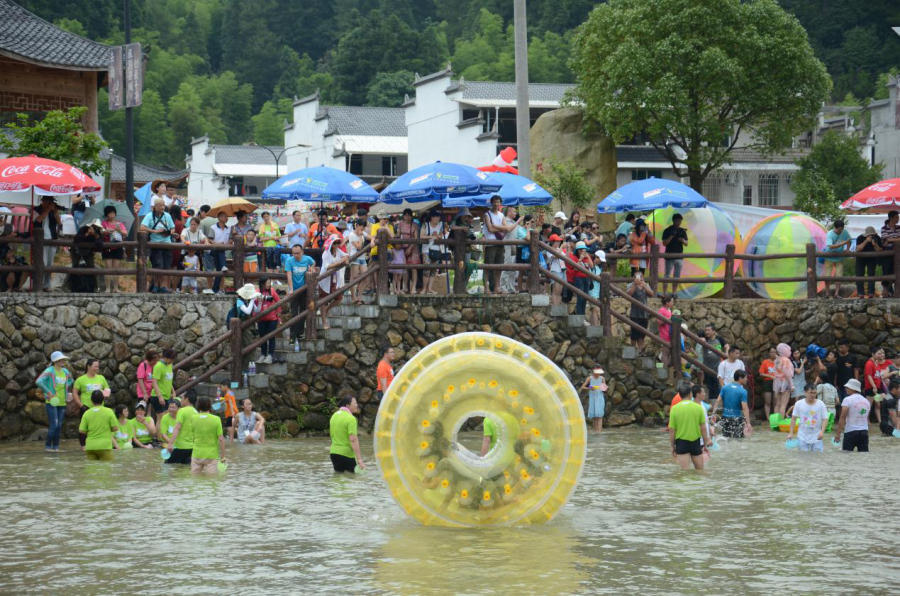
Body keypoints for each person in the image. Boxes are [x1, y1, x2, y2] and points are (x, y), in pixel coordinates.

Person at [36, 351, 73, 452]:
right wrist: (48, 392)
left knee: (59, 425)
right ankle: (48, 447)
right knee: (54, 424)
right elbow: (39, 382)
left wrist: (66, 392)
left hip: (62, 402)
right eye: (60, 359)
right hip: (51, 402)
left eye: (63, 359)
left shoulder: (65, 371)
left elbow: (70, 380)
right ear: (55, 361)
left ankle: (56, 447)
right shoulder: (49, 370)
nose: (63, 361)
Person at [140, 198, 175, 293]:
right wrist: (155, 231)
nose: (162, 207)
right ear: (155, 207)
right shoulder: (149, 216)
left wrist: (169, 232)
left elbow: (173, 228)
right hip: (155, 243)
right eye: (160, 205)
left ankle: (163, 286)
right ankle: (155, 285)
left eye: (163, 205)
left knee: (166, 266)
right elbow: (142, 227)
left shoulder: (167, 215)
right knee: (157, 265)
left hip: (167, 243)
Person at [483, 195, 517, 294]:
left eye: (498, 202)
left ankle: (497, 287)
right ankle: (486, 287)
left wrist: (496, 226)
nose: (496, 204)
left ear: (500, 203)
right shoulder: (487, 214)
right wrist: (501, 227)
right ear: (491, 203)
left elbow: (507, 228)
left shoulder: (501, 215)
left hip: (500, 243)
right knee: (488, 266)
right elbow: (490, 229)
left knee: (499, 266)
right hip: (490, 243)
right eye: (494, 202)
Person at [668, 392, 710, 470]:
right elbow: (703, 428)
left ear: (680, 395)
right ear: (690, 394)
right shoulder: (698, 407)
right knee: (700, 471)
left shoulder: (674, 408)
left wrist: (672, 446)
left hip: (681, 442)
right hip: (695, 442)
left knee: (685, 472)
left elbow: (671, 430)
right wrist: (705, 444)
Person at [284, 243, 316, 342]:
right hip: (295, 289)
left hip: (304, 289)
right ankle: (292, 335)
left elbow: (314, 262)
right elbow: (289, 275)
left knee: (303, 312)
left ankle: (300, 333)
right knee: (294, 313)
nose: (296, 255)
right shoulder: (289, 260)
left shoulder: (307, 259)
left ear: (302, 252)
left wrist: (311, 267)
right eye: (294, 253)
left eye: (298, 253)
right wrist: (291, 289)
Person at [786, 383, 828, 452]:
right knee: (803, 457)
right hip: (802, 435)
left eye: (814, 393)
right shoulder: (799, 404)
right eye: (811, 393)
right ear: (805, 392)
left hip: (817, 435)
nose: (813, 395)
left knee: (818, 457)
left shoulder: (821, 404)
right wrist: (791, 433)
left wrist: (822, 432)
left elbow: (825, 419)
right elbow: (793, 419)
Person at [79, 390, 118, 461]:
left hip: (90, 447)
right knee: (106, 469)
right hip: (104, 446)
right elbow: (115, 428)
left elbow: (82, 431)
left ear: (91, 400)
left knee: (92, 470)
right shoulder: (109, 411)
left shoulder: (86, 413)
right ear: (103, 400)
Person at [329, 395, 365, 473]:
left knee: (338, 479)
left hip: (334, 453)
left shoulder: (334, 416)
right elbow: (353, 439)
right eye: (355, 403)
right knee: (353, 480)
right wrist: (359, 459)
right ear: (347, 405)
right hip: (346, 454)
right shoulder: (351, 418)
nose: (357, 405)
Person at [319, 235, 349, 329]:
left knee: (339, 298)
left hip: (335, 279)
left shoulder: (338, 251)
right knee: (323, 300)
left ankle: (327, 310)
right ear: (331, 244)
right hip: (326, 279)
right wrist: (341, 261)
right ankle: (324, 322)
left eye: (338, 242)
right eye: (334, 243)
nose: (336, 245)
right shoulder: (326, 253)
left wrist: (346, 258)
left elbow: (346, 255)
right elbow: (327, 266)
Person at [32, 196, 62, 291]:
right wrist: (47, 210)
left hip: (52, 239)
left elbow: (59, 223)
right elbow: (38, 220)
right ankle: (39, 284)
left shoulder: (53, 211)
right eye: (47, 202)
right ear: (43, 201)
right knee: (42, 263)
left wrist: (56, 212)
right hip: (40, 240)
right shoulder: (35, 210)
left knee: (50, 264)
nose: (48, 205)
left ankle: (47, 284)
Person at [190, 396, 225, 474]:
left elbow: (193, 435)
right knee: (211, 481)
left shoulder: (193, 418)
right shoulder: (216, 419)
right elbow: (221, 439)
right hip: (211, 455)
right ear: (210, 406)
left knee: (195, 479)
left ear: (198, 406)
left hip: (196, 453)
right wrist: (223, 456)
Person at [712, 370, 751, 438]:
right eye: (745, 377)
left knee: (726, 439)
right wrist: (748, 423)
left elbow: (717, 401)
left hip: (725, 418)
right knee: (738, 440)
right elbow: (745, 408)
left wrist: (713, 414)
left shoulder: (725, 388)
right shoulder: (743, 391)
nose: (746, 379)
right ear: (740, 378)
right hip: (737, 419)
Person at [834, 379, 870, 452]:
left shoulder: (847, 400)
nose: (846, 389)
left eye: (847, 388)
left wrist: (838, 434)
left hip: (851, 432)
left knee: (846, 455)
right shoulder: (866, 401)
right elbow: (866, 418)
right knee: (864, 455)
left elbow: (842, 417)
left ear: (852, 389)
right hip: (864, 432)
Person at [253, 276, 282, 365]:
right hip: (261, 319)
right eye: (268, 283)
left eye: (270, 283)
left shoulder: (272, 291)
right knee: (262, 337)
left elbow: (278, 301)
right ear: (262, 284)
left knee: (271, 336)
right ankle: (263, 354)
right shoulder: (257, 292)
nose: (269, 285)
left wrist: (278, 312)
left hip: (272, 318)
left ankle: (270, 355)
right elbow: (254, 305)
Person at [99, 205, 128, 293]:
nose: (111, 215)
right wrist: (106, 231)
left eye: (113, 213)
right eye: (109, 213)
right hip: (107, 247)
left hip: (117, 247)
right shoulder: (103, 223)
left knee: (116, 268)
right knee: (108, 268)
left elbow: (125, 233)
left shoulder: (119, 223)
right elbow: (100, 232)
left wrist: (118, 230)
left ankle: (116, 287)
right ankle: (107, 288)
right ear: (106, 214)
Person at [696, 325, 727, 402]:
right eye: (706, 330)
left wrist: (726, 353)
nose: (707, 332)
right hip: (707, 366)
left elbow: (726, 346)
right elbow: (699, 340)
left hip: (718, 366)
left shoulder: (719, 339)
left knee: (719, 385)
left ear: (714, 331)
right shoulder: (704, 339)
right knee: (710, 387)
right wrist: (702, 340)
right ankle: (714, 406)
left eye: (709, 330)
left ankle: (720, 403)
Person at [166, 392, 198, 465]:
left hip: (180, 447)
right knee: (184, 470)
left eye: (182, 398)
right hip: (192, 448)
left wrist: (170, 444)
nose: (181, 400)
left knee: (167, 467)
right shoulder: (196, 412)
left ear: (187, 399)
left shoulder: (182, 411)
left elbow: (177, 428)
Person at [863, 347, 892, 425]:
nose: (880, 355)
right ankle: (866, 420)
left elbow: (878, 375)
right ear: (873, 354)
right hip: (871, 387)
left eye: (881, 353)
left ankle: (880, 421)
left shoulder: (876, 362)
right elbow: (869, 376)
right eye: (878, 354)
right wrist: (874, 386)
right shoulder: (869, 363)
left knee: (878, 404)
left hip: (878, 386)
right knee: (868, 405)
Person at [823, 219, 851, 298]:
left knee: (839, 276)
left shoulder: (845, 232)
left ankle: (836, 294)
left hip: (839, 258)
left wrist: (847, 249)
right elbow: (830, 246)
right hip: (829, 257)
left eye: (842, 228)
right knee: (827, 276)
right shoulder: (830, 234)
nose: (841, 230)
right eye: (840, 229)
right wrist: (843, 243)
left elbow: (849, 240)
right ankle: (827, 293)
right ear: (837, 228)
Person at [626, 272, 654, 350]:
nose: (638, 278)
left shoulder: (646, 285)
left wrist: (644, 285)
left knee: (642, 335)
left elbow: (651, 294)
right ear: (633, 277)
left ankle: (640, 351)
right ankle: (633, 351)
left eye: (640, 276)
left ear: (643, 277)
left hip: (644, 314)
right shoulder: (630, 285)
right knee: (634, 335)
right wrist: (635, 284)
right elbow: (628, 295)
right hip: (634, 314)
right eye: (636, 276)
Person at [661, 214, 688, 294]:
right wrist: (672, 235)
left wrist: (683, 240)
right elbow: (664, 243)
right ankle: (665, 293)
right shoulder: (667, 230)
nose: (678, 223)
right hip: (669, 256)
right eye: (677, 221)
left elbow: (686, 243)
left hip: (679, 256)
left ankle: (674, 293)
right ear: (673, 220)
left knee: (676, 276)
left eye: (680, 221)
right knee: (667, 275)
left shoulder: (682, 231)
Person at [206, 210, 231, 294]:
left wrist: (226, 244)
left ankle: (215, 289)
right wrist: (217, 244)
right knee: (221, 268)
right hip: (214, 250)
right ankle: (224, 266)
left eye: (227, 216)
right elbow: (210, 239)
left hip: (222, 252)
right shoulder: (213, 227)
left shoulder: (229, 228)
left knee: (220, 270)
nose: (226, 218)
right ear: (219, 217)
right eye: (224, 216)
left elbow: (230, 240)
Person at [421, 210, 446, 295]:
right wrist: (432, 236)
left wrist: (438, 236)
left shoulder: (441, 225)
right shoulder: (426, 225)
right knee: (427, 270)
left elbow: (442, 235)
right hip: (426, 250)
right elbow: (421, 236)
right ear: (432, 217)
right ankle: (424, 288)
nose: (439, 218)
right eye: (437, 216)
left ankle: (430, 288)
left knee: (433, 270)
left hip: (436, 249)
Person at [855, 226, 883, 298]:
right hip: (860, 258)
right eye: (870, 235)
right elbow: (858, 249)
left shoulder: (877, 238)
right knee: (859, 274)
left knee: (871, 274)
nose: (871, 236)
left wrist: (875, 244)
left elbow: (880, 250)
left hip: (872, 259)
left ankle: (871, 293)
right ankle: (860, 293)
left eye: (872, 235)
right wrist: (866, 241)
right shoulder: (860, 238)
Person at [348, 218, 370, 303]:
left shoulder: (363, 232)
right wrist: (361, 236)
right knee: (354, 277)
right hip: (354, 256)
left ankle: (359, 296)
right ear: (356, 226)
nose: (362, 228)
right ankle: (353, 296)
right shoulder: (351, 235)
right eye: (361, 226)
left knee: (365, 276)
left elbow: (371, 237)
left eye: (363, 227)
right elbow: (359, 247)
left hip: (362, 257)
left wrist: (371, 241)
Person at [152, 349, 177, 423]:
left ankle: (163, 435)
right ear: (165, 357)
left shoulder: (170, 365)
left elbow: (168, 380)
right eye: (171, 359)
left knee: (166, 418)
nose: (172, 361)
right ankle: (159, 435)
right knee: (161, 419)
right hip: (158, 396)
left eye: (173, 359)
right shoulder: (158, 366)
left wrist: (173, 391)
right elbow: (154, 382)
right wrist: (159, 396)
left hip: (167, 396)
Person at [580, 367, 607, 433]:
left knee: (599, 415)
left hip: (599, 397)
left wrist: (603, 387)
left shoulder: (602, 378)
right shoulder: (590, 378)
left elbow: (605, 389)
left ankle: (599, 431)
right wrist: (590, 388)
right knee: (594, 415)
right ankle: (595, 430)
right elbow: (582, 387)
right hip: (592, 397)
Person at [880, 210, 900, 297]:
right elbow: (885, 240)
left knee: (897, 271)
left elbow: (889, 240)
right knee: (887, 270)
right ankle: (885, 291)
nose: (898, 219)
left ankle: (895, 291)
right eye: (896, 217)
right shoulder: (884, 228)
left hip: (898, 253)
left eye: (898, 217)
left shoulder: (899, 227)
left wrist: (891, 239)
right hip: (887, 253)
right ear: (891, 218)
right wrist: (897, 239)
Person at [571, 241, 593, 316]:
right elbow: (575, 269)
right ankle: (579, 314)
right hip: (578, 279)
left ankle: (582, 315)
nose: (582, 251)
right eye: (580, 250)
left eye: (584, 249)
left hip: (586, 278)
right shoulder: (574, 257)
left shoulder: (587, 257)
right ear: (577, 250)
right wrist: (580, 259)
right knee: (580, 297)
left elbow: (591, 266)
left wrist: (588, 257)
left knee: (585, 297)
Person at [772, 343, 794, 419]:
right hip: (785, 383)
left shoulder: (776, 360)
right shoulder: (786, 360)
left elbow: (774, 372)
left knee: (777, 404)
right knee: (783, 405)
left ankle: (775, 422)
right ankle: (781, 421)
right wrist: (792, 385)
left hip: (777, 382)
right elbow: (788, 374)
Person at [136, 350, 159, 415]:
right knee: (141, 412)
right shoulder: (143, 365)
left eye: (157, 360)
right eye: (154, 360)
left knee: (149, 413)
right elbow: (140, 380)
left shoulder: (156, 366)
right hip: (143, 393)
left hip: (152, 393)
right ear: (149, 359)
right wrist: (145, 393)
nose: (156, 362)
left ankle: (149, 424)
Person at [758, 347, 777, 419]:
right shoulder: (765, 362)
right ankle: (768, 418)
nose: (773, 354)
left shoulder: (778, 362)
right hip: (767, 382)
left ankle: (775, 417)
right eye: (771, 352)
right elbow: (761, 373)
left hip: (777, 382)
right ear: (769, 353)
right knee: (767, 401)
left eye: (774, 352)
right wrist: (770, 376)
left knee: (776, 401)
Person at [546, 234, 565, 305]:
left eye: (559, 241)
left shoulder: (558, 249)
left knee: (559, 291)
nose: (559, 243)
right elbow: (556, 256)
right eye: (557, 241)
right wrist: (562, 247)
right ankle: (555, 307)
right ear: (552, 242)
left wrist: (568, 249)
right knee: (555, 290)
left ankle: (558, 307)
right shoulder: (549, 249)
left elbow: (566, 257)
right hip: (555, 270)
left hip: (562, 271)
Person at [587, 251, 605, 326]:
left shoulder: (598, 267)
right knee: (595, 309)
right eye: (600, 259)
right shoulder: (592, 266)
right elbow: (593, 277)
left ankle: (592, 327)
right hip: (592, 291)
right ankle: (595, 328)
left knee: (594, 310)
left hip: (596, 291)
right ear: (596, 257)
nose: (600, 261)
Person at [657, 295, 675, 367]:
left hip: (670, 334)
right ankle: (664, 372)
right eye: (672, 301)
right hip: (664, 334)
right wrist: (670, 318)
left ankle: (665, 370)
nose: (673, 303)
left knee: (667, 354)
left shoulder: (670, 310)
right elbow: (659, 322)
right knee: (665, 354)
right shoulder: (661, 310)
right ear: (667, 302)